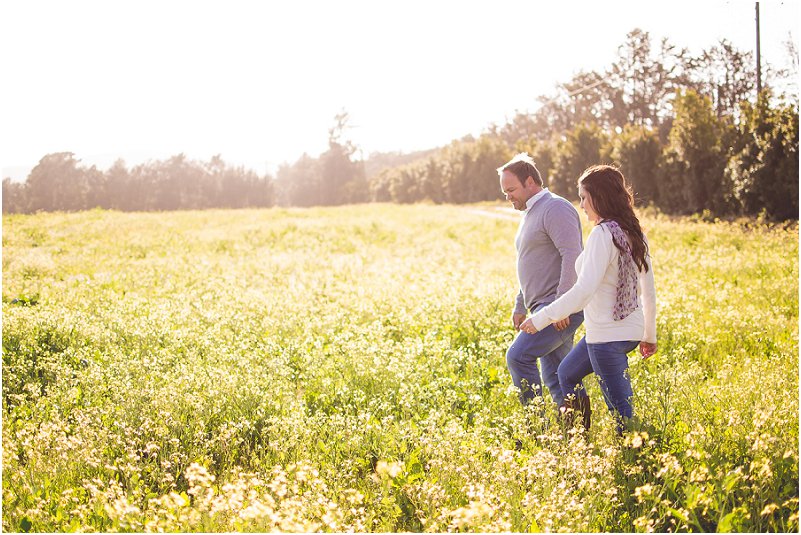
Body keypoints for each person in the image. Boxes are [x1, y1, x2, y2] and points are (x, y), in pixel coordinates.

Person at [519, 164, 657, 434]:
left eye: (584, 197)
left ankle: (636, 452)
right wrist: (648, 335)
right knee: (566, 373)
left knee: (622, 412)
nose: (581, 204)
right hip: (626, 331)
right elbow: (648, 290)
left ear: (599, 197)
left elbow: (584, 290)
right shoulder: (633, 231)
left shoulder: (602, 234)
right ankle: (578, 439)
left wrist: (541, 319)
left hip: (606, 337)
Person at [498, 153, 585, 409]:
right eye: (505, 192)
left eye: (511, 190)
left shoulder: (555, 208)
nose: (508, 197)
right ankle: (576, 428)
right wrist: (520, 305)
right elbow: (531, 264)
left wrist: (561, 306)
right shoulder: (530, 214)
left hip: (557, 307)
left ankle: (536, 423)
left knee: (518, 356)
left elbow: (572, 255)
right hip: (542, 307)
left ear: (530, 182)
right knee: (558, 375)